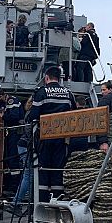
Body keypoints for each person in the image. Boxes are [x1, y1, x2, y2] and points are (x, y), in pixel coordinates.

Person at [27, 66, 77, 202]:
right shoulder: (68, 93)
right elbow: (75, 114)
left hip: (44, 138)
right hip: (61, 139)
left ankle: (42, 204)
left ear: (46, 78)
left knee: (42, 170)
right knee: (57, 170)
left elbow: (33, 116)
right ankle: (57, 203)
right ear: (59, 78)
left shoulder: (42, 92)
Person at [0, 87, 25, 195]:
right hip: (10, 134)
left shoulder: (12, 101)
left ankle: (14, 186)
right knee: (9, 159)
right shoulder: (5, 103)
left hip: (16, 133)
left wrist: (3, 115)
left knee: (13, 159)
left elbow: (14, 116)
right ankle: (10, 184)